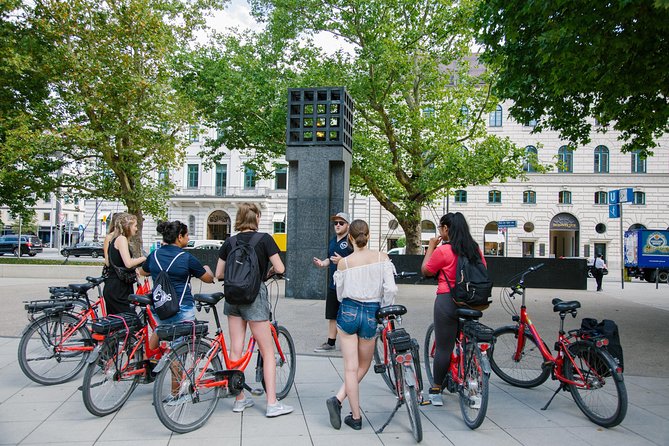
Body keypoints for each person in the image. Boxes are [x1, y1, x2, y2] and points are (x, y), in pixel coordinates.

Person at [215, 202, 292, 418]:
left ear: (239, 218)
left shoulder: (229, 241)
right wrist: (264, 273)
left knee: (235, 350)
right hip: (254, 297)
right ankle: (272, 403)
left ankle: (239, 400)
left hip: (232, 298)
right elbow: (280, 268)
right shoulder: (264, 239)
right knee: (268, 352)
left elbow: (218, 273)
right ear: (256, 217)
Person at [326, 219, 397, 431]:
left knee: (350, 367)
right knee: (364, 365)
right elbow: (391, 290)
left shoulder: (344, 263)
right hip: (371, 312)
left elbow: (339, 294)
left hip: (348, 310)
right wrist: (385, 308)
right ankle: (338, 401)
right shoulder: (382, 258)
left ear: (350, 238)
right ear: (368, 234)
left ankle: (355, 416)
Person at [421, 212, 486, 406]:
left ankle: (436, 391)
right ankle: (473, 388)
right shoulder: (475, 249)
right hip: (473, 302)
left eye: (441, 228)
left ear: (446, 229)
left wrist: (431, 247)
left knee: (444, 347)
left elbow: (426, 270)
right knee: (468, 344)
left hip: (448, 301)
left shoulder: (444, 250)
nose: (440, 231)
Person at [138, 220, 214, 350]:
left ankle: (147, 361)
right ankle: (174, 367)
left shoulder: (154, 254)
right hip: (181, 307)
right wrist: (207, 268)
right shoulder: (186, 257)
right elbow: (208, 278)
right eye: (187, 235)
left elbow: (143, 272)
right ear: (179, 237)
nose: (188, 238)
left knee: (160, 329)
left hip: (160, 306)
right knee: (178, 349)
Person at [312, 212, 353, 352]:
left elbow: (356, 260)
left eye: (341, 223)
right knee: (332, 314)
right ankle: (331, 342)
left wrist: (342, 261)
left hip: (347, 284)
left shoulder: (351, 240)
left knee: (347, 314)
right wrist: (323, 263)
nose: (337, 225)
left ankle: (349, 343)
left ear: (348, 225)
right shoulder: (332, 241)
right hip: (333, 284)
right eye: (335, 223)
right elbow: (330, 259)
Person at [103, 213, 146, 314]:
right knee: (130, 322)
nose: (136, 229)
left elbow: (121, 262)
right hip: (118, 289)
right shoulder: (121, 239)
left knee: (118, 325)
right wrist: (144, 258)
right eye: (135, 226)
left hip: (117, 287)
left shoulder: (117, 239)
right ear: (128, 226)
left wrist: (134, 268)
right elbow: (128, 263)